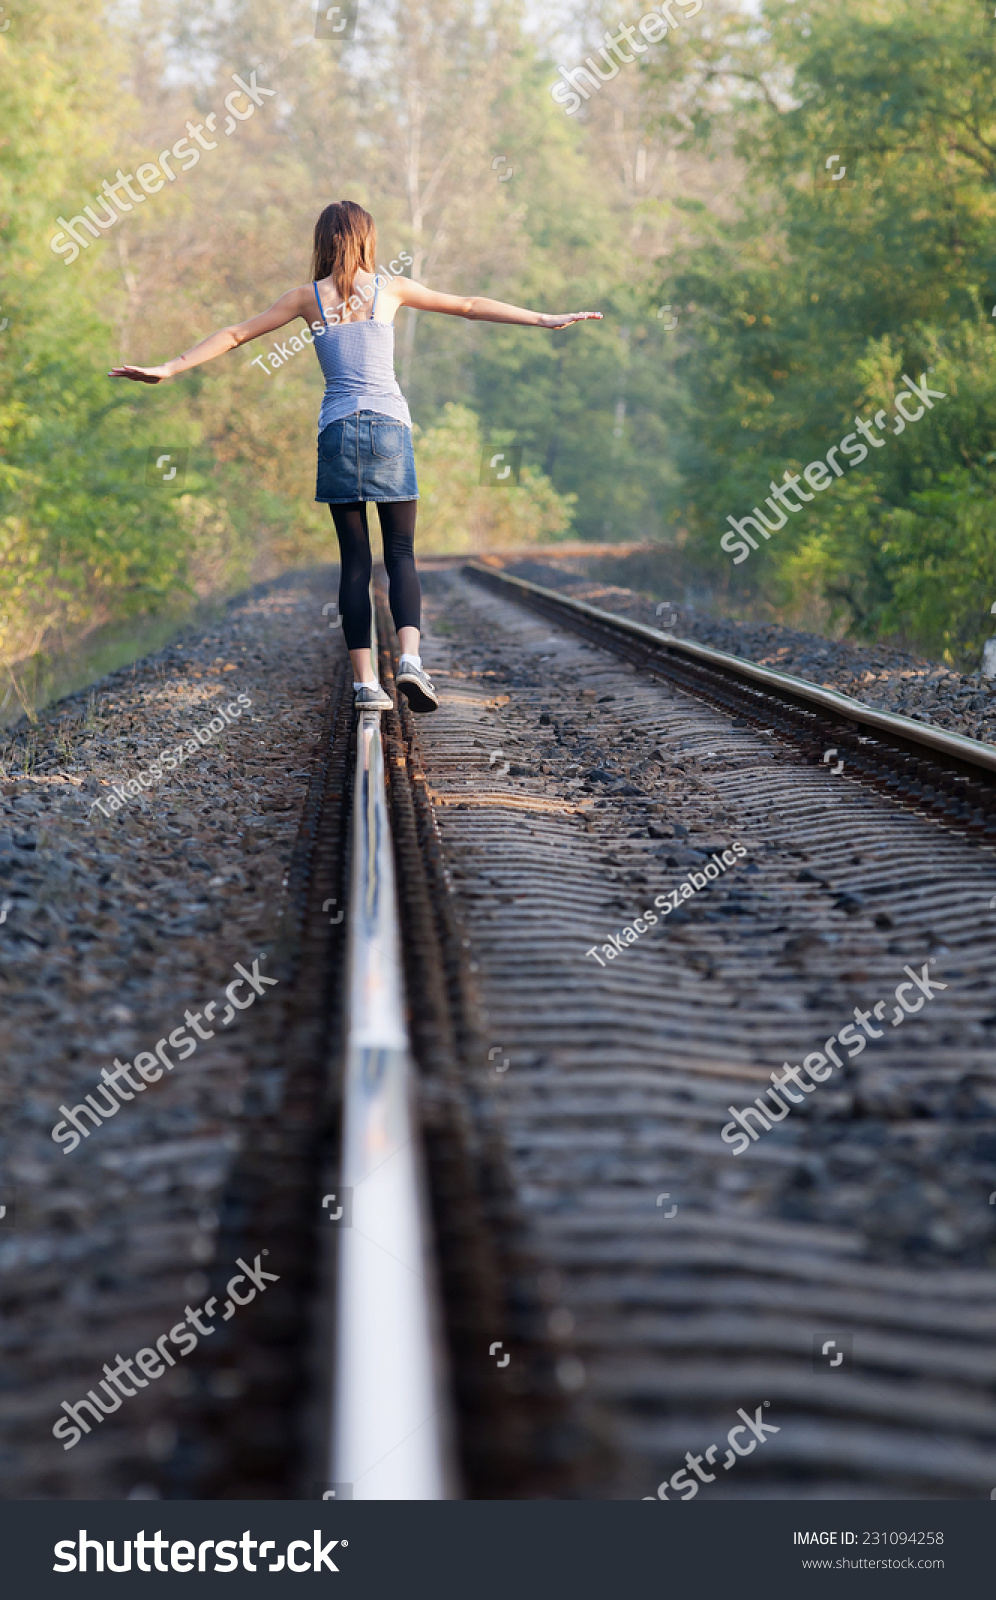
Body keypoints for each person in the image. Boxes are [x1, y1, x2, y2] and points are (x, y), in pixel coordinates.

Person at [109, 199, 602, 713]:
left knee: (354, 564)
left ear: (322, 242)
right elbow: (471, 304)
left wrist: (169, 367)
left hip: (339, 432)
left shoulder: (306, 298)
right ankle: (410, 659)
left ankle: (366, 684)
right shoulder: (390, 288)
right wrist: (545, 318)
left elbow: (235, 335)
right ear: (367, 239)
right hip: (390, 429)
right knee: (401, 555)